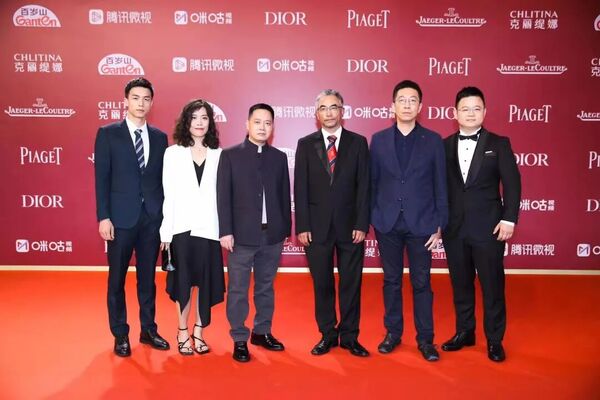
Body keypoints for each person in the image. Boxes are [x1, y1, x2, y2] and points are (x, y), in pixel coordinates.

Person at [441, 86, 521, 362]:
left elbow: (512, 184)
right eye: (465, 109)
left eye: (476, 108)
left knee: (492, 286)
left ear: (485, 112)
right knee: (460, 284)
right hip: (454, 229)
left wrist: (509, 218)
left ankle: (495, 340)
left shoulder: (499, 144)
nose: (471, 113)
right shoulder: (444, 145)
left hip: (489, 228)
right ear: (455, 113)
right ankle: (465, 332)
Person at [370, 80, 448, 361]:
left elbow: (441, 183)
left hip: (422, 223)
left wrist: (439, 223)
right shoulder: (378, 140)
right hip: (387, 223)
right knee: (391, 280)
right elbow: (372, 182)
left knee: (422, 282)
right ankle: (393, 333)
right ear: (392, 106)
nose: (406, 105)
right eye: (401, 100)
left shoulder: (434, 140)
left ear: (420, 106)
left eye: (412, 100)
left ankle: (426, 339)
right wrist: (373, 216)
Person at [94, 77, 170, 357]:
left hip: (151, 220)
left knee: (147, 279)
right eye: (136, 98)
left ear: (151, 103)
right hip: (120, 220)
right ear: (126, 100)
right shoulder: (108, 134)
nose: (141, 103)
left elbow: (163, 182)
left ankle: (148, 329)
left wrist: (164, 221)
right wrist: (104, 216)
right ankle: (120, 334)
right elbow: (101, 178)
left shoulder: (160, 138)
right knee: (116, 279)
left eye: (146, 99)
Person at [294, 89, 370, 357]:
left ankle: (350, 336)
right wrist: (302, 226)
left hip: (351, 228)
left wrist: (362, 223)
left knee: (351, 283)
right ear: (317, 114)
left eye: (333, 107)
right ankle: (327, 334)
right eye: (323, 108)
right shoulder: (305, 144)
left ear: (342, 111)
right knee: (322, 283)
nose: (328, 112)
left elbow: (364, 187)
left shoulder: (358, 143)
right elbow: (300, 188)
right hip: (316, 228)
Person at [217, 103, 291, 363]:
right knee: (238, 289)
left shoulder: (279, 157)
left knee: (265, 287)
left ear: (273, 127)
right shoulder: (230, 155)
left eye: (268, 123)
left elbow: (284, 195)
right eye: (257, 122)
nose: (262, 127)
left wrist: (284, 229)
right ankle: (239, 337)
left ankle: (262, 331)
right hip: (240, 236)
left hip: (272, 237)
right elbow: (223, 196)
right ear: (247, 124)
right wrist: (225, 231)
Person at [159, 99, 225, 356]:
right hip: (181, 229)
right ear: (186, 122)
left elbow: (224, 197)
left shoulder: (220, 155)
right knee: (183, 283)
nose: (199, 122)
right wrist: (166, 232)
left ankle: (199, 330)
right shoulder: (173, 153)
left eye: (204, 118)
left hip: (209, 229)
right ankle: (182, 331)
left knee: (205, 283)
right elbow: (168, 195)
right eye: (194, 117)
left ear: (210, 123)